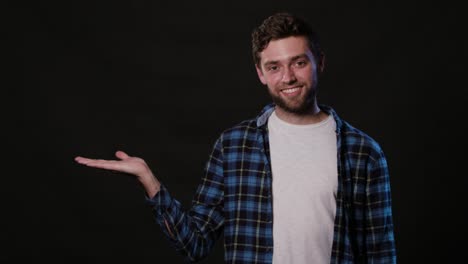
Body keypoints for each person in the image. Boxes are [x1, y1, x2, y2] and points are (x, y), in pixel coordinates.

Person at [75, 12, 396, 264]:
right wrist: (149, 180)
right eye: (274, 67)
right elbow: (194, 244)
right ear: (260, 73)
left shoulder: (363, 153)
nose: (287, 77)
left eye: (299, 62)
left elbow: (380, 255)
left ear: (319, 62)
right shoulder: (234, 147)